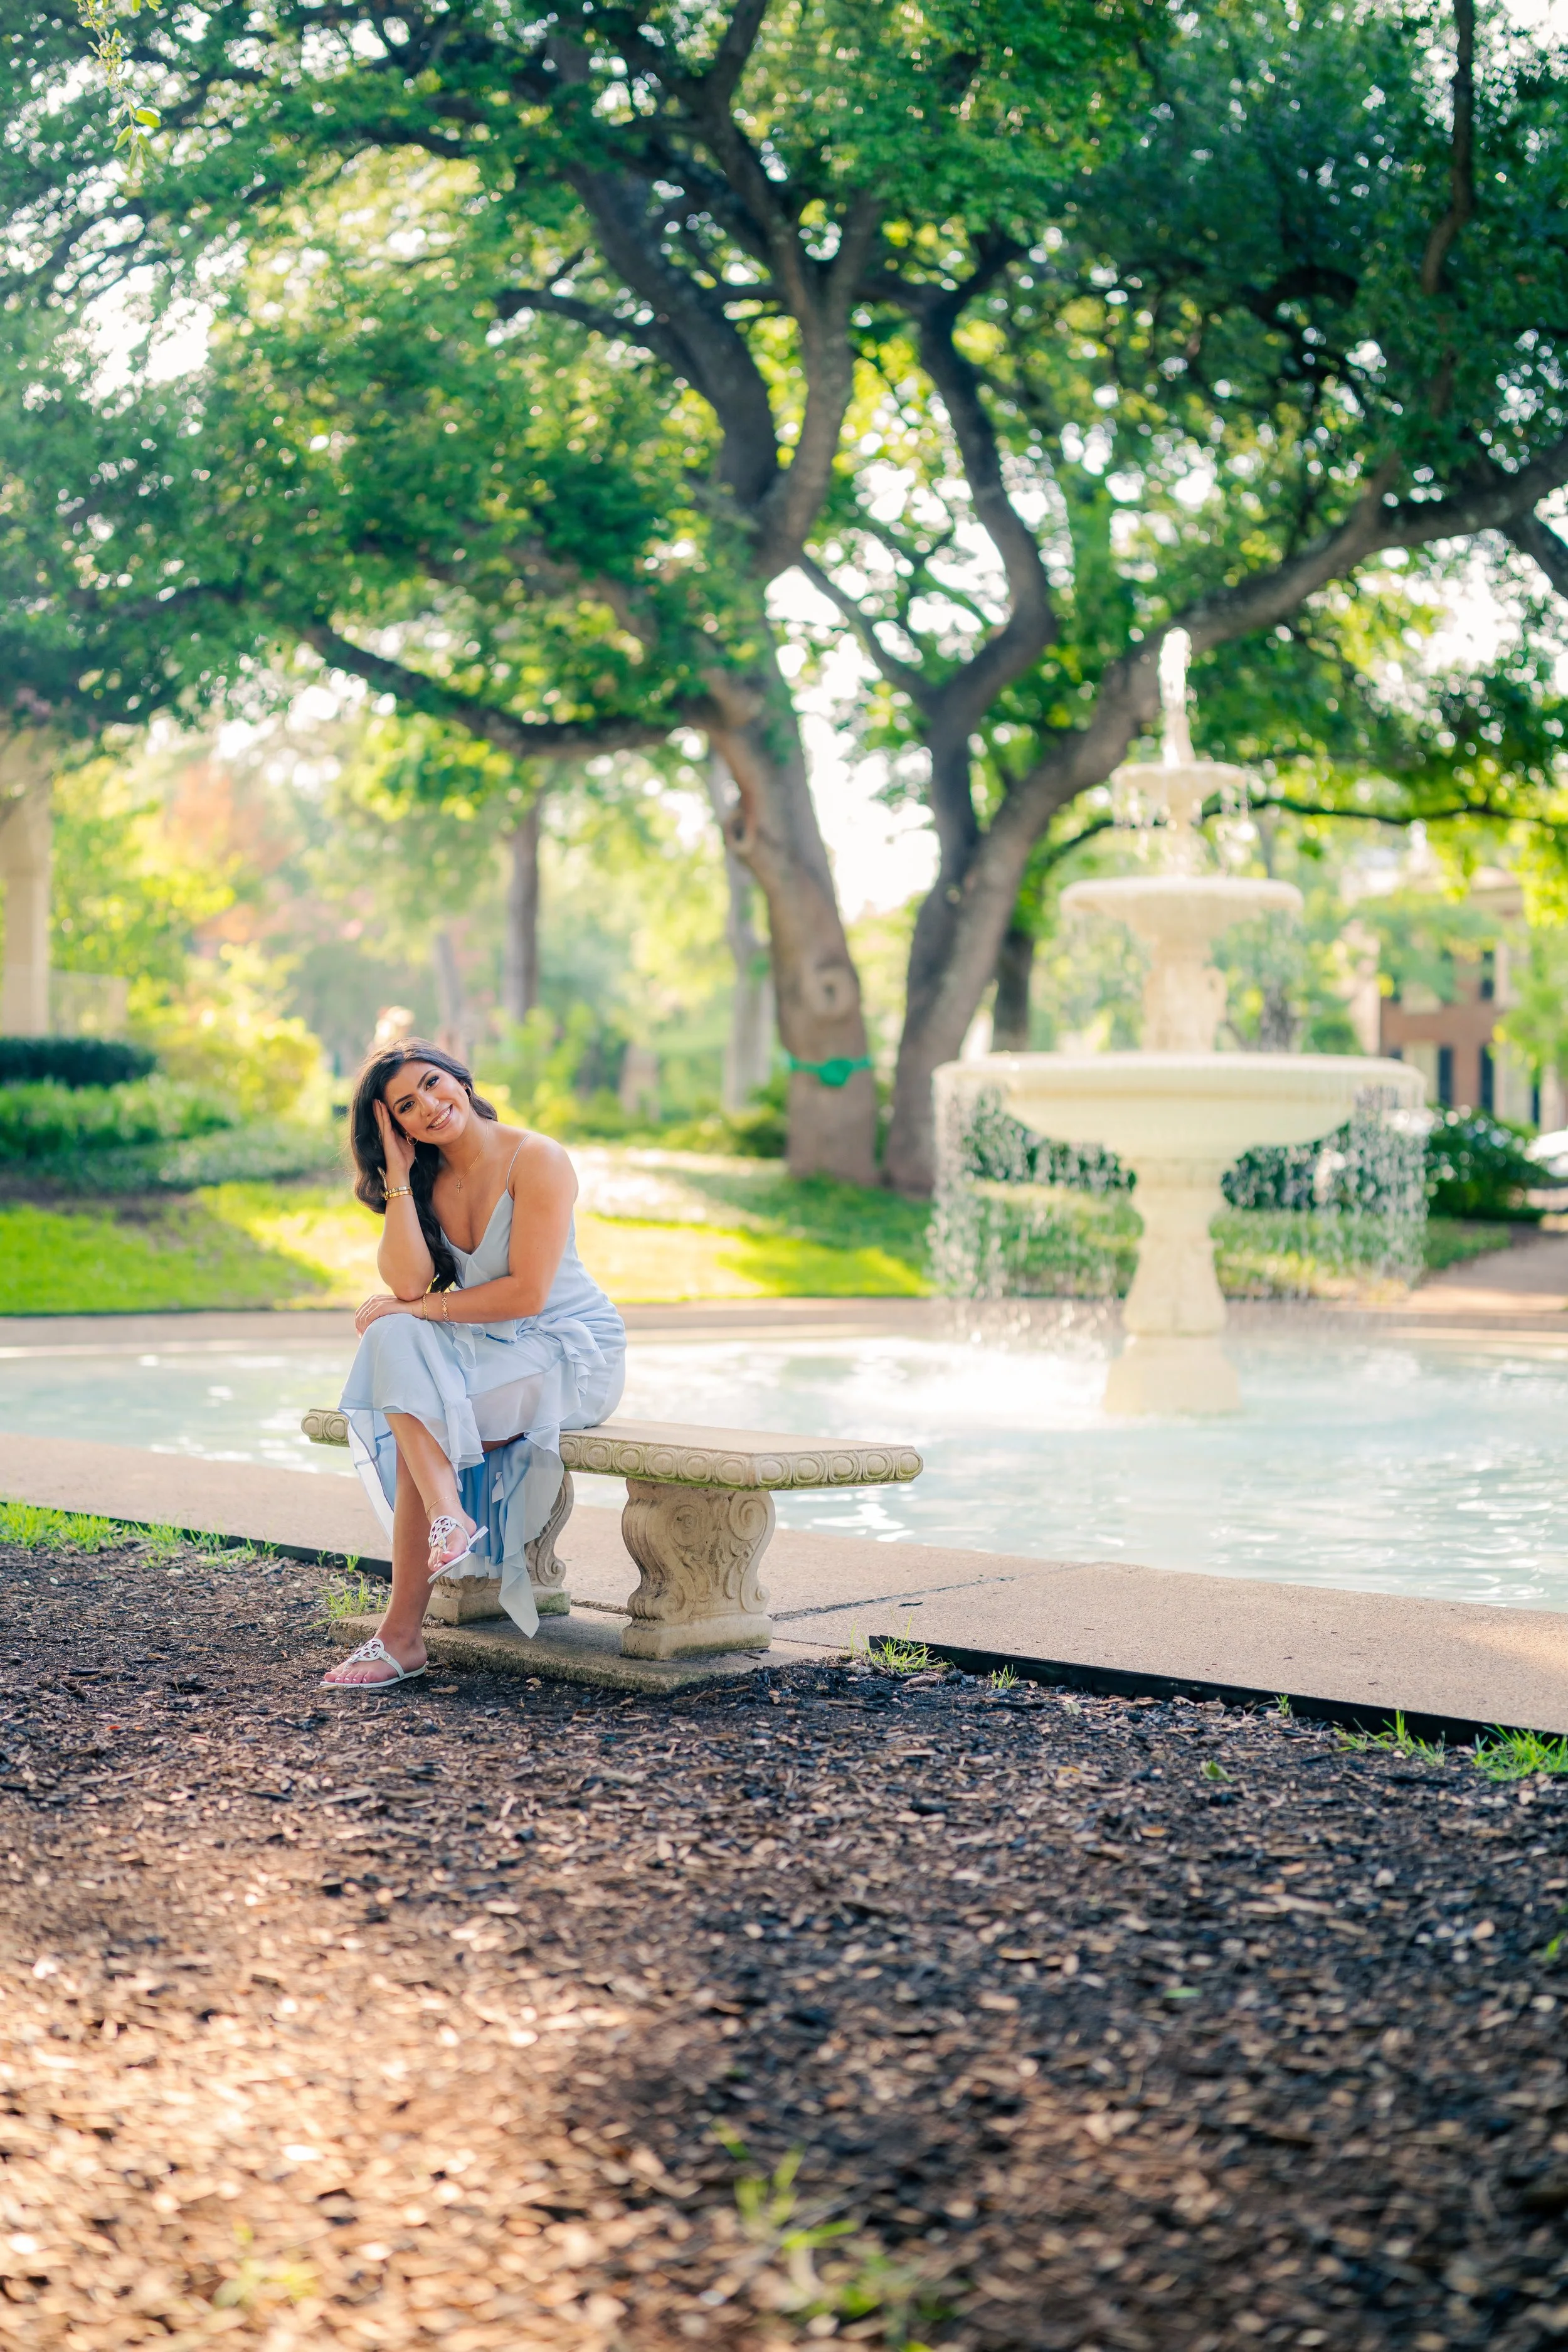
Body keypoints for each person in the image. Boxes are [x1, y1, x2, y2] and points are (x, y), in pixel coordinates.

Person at [322, 1040, 626, 1689]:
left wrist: (422, 1310)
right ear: (394, 1126)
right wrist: (401, 1178)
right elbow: (406, 1282)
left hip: (570, 1353)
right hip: (491, 1349)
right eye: (406, 1106)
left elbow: (527, 1294)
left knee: (415, 1409)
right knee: (386, 1342)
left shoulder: (535, 1158)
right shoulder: (425, 1177)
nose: (430, 1106)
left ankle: (401, 1634)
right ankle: (446, 1519)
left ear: (460, 1078)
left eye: (434, 1084)